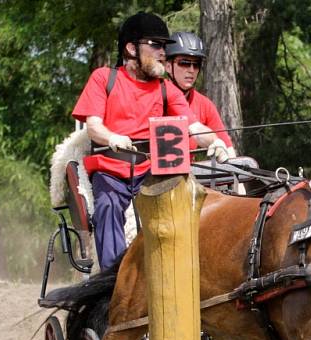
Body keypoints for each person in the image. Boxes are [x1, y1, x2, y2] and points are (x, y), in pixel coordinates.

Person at [72, 12, 230, 269]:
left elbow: (195, 127)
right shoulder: (104, 78)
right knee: (107, 205)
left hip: (150, 173)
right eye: (155, 45)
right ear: (131, 48)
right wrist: (112, 137)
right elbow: (93, 126)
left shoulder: (165, 88)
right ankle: (114, 280)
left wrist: (215, 142)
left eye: (165, 47)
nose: (162, 53)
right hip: (111, 173)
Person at [165, 31, 236, 159]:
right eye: (184, 63)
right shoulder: (154, 95)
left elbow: (229, 150)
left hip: (187, 175)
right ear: (168, 66)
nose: (191, 70)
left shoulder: (204, 104)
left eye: (196, 64)